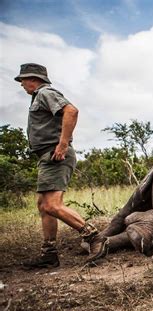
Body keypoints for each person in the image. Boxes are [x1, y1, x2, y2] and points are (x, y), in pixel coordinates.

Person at [15, 63, 108, 268]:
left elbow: (71, 111)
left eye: (23, 79)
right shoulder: (39, 96)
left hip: (55, 155)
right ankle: (49, 254)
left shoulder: (45, 92)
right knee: (44, 206)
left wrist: (62, 144)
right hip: (48, 156)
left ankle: (94, 237)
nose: (21, 84)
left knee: (52, 205)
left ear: (33, 79)